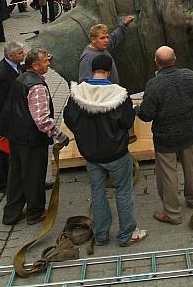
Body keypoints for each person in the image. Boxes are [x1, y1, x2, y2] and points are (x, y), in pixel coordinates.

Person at [64, 54, 148, 247]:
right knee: (123, 191)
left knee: (97, 192)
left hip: (91, 155)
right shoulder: (119, 94)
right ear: (109, 71)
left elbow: (70, 120)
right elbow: (127, 122)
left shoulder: (77, 93)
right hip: (117, 153)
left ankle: (101, 236)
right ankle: (127, 234)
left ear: (93, 70)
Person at [137, 46, 193, 225]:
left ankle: (172, 214)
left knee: (168, 174)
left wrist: (136, 109)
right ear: (175, 59)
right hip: (188, 131)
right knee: (191, 167)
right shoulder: (189, 75)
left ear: (156, 62)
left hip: (165, 137)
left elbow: (147, 115)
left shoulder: (154, 85)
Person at [2, 49, 69, 226]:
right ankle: (35, 213)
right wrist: (60, 135)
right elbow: (42, 120)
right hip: (31, 140)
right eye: (45, 62)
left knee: (16, 176)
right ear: (35, 65)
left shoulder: (21, 78)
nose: (48, 64)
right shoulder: (37, 86)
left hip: (16, 137)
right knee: (34, 177)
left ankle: (12, 213)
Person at [0, 40, 26, 193]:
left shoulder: (15, 65)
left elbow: (21, 70)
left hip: (14, 117)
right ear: (11, 56)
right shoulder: (2, 75)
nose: (23, 55)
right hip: (6, 120)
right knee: (4, 152)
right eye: (20, 53)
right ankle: (4, 183)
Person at [78, 16, 135, 84]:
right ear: (93, 39)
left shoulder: (102, 46)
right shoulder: (87, 58)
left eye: (107, 37)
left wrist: (125, 24)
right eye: (102, 38)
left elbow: (114, 37)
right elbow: (85, 84)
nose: (106, 40)